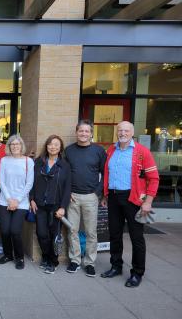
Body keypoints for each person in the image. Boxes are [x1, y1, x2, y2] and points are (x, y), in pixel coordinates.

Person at [100, 121, 159, 288]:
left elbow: (153, 179)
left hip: (133, 199)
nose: (122, 133)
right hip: (113, 196)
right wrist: (105, 195)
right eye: (120, 130)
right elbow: (108, 174)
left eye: (126, 130)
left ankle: (137, 273)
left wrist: (148, 201)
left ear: (132, 133)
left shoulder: (142, 152)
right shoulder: (111, 150)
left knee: (136, 237)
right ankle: (116, 266)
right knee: (114, 234)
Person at [65, 120, 106, 277]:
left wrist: (97, 192)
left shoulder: (98, 151)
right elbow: (66, 174)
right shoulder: (69, 151)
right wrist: (67, 192)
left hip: (91, 196)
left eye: (86, 131)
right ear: (76, 132)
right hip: (72, 196)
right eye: (80, 131)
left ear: (91, 133)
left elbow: (105, 174)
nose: (83, 134)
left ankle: (89, 262)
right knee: (72, 230)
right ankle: (75, 260)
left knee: (91, 232)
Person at [30, 135, 71, 274]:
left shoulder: (64, 165)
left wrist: (63, 207)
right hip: (40, 204)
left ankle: (54, 261)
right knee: (41, 233)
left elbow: (67, 188)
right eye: (50, 144)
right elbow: (31, 182)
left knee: (54, 235)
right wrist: (31, 199)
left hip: (56, 206)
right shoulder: (38, 162)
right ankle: (46, 257)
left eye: (56, 145)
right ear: (46, 146)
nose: (53, 147)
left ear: (60, 148)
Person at [0, 135, 34, 269]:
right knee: (5, 231)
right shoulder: (5, 160)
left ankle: (20, 258)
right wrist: (8, 199)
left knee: (15, 231)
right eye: (12, 144)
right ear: (9, 146)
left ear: (21, 146)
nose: (15, 146)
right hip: (4, 201)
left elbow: (29, 184)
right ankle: (8, 255)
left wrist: (16, 200)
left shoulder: (28, 161)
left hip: (21, 202)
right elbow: (1, 181)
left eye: (17, 144)